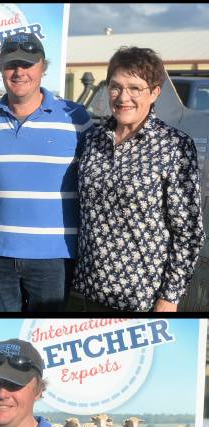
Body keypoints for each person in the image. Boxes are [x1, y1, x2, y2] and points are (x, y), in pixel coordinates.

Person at [0, 33, 91, 312]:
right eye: (11, 65)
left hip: (54, 257)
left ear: (43, 67)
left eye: (27, 64)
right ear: (1, 69)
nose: (19, 72)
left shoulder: (76, 118)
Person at [70, 46, 204, 312]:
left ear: (154, 92)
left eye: (135, 88)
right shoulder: (93, 139)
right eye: (116, 87)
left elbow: (188, 233)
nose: (123, 97)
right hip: (84, 292)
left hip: (141, 299)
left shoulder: (174, 147)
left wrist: (169, 298)